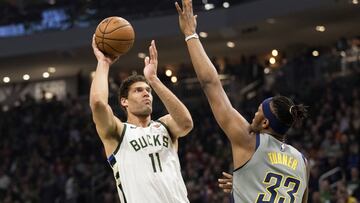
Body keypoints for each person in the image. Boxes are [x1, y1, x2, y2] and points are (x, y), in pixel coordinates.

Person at [175, 0, 310, 202]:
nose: (253, 115)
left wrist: (190, 34)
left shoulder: (249, 140)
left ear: (265, 123)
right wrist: (245, 183)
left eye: (258, 111)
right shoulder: (303, 162)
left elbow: (211, 83)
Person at [90, 36, 193, 203]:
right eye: (138, 90)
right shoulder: (118, 132)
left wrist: (154, 80)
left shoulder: (165, 125)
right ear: (124, 101)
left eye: (148, 90)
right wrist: (103, 63)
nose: (146, 93)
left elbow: (186, 123)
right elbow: (97, 104)